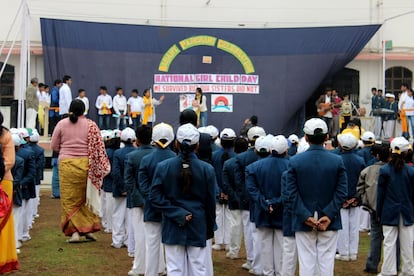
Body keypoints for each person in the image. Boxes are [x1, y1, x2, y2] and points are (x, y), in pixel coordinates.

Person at [149, 123, 216, 276]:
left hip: (173, 224)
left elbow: (155, 197)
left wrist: (175, 212)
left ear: (176, 144)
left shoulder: (163, 167)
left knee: (174, 269)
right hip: (198, 223)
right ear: (197, 145)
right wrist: (209, 227)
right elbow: (210, 203)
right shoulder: (207, 169)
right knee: (199, 269)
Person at [285, 118, 348, 276]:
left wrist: (305, 215)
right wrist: (329, 213)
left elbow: (291, 193)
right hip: (328, 216)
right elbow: (342, 192)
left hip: (306, 216)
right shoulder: (336, 161)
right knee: (326, 262)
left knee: (307, 262)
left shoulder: (295, 161)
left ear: (305, 137)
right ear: (327, 137)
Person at [51, 99, 110, 242]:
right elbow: (99, 147)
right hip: (86, 165)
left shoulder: (62, 124)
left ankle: (75, 233)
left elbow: (54, 145)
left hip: (67, 164)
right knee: (86, 197)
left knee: (69, 199)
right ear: (84, 110)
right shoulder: (91, 125)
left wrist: (65, 151)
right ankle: (87, 229)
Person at [246, 135, 289, 276]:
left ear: (271, 149)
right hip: (281, 211)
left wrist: (265, 203)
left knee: (264, 246)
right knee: (281, 247)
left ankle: (268, 272)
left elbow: (252, 190)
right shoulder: (291, 166)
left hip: (262, 210)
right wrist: (274, 203)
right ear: (286, 150)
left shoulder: (253, 167)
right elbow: (289, 191)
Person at [138, 122, 176, 276]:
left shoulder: (146, 160)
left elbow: (143, 186)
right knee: (173, 248)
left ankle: (151, 273)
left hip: (152, 207)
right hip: (172, 209)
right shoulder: (177, 159)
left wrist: (155, 200)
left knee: (152, 245)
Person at [376, 137, 414, 276]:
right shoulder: (410, 171)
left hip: (389, 210)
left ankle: (388, 270)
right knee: (407, 243)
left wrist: (378, 212)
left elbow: (381, 194)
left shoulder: (385, 170)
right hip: (406, 211)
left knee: (389, 242)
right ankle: (408, 270)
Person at [125, 126, 154, 276]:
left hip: (139, 202)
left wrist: (140, 199)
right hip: (155, 201)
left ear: (137, 139)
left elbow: (129, 182)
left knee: (140, 235)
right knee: (156, 235)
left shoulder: (132, 156)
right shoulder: (157, 155)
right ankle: (158, 266)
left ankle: (140, 267)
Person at [357, 142, 390, 274]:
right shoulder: (391, 170)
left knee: (376, 238)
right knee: (391, 239)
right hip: (388, 208)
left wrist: (367, 201)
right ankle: (393, 264)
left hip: (374, 208)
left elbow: (360, 188)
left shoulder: (368, 170)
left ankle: (372, 264)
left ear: (377, 155)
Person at [335, 134, 365, 262]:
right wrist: (355, 197)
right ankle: (353, 252)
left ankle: (344, 252)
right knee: (354, 226)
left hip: (341, 197)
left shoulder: (336, 159)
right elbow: (362, 181)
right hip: (355, 198)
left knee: (343, 227)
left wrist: (343, 198)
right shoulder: (360, 160)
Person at [222, 137, 249, 259]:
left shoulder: (228, 163)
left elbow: (226, 184)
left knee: (235, 225)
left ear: (234, 148)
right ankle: (250, 257)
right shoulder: (251, 161)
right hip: (248, 200)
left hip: (234, 199)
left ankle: (234, 251)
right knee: (249, 230)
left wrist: (233, 196)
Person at [211, 128, 237, 251]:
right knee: (229, 216)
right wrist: (228, 191)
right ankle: (227, 242)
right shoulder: (236, 156)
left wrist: (219, 190)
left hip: (218, 189)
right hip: (231, 190)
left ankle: (219, 241)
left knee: (217, 214)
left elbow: (213, 175)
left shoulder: (214, 155)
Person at [111, 127, 136, 251]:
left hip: (120, 189)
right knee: (130, 216)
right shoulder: (135, 152)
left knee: (118, 215)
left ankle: (117, 240)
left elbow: (116, 172)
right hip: (132, 190)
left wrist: (121, 188)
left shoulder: (118, 153)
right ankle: (128, 240)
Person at [0, 111, 18, 273]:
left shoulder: (5, 135)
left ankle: (3, 259)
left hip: (3, 181)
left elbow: (9, 161)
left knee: (3, 220)